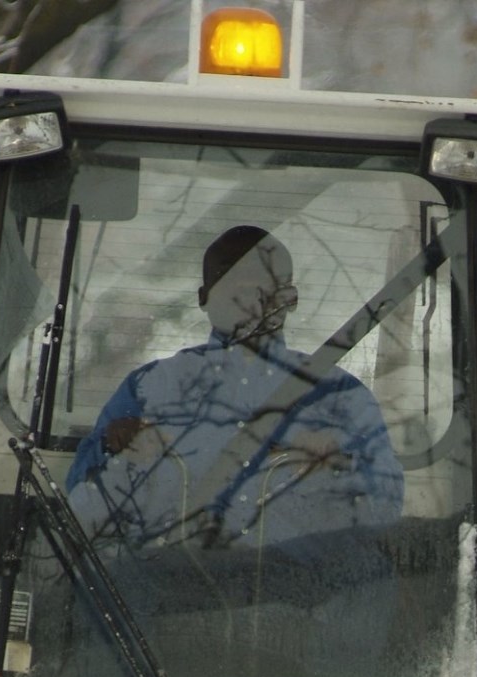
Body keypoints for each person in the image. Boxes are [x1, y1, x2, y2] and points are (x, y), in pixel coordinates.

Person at [65, 226, 404, 551]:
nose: (246, 297)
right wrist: (111, 449)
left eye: (262, 284)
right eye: (230, 282)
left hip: (303, 600)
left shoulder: (340, 398)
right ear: (203, 297)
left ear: (290, 299)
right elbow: (84, 510)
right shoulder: (149, 389)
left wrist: (338, 468)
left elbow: (383, 509)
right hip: (163, 599)